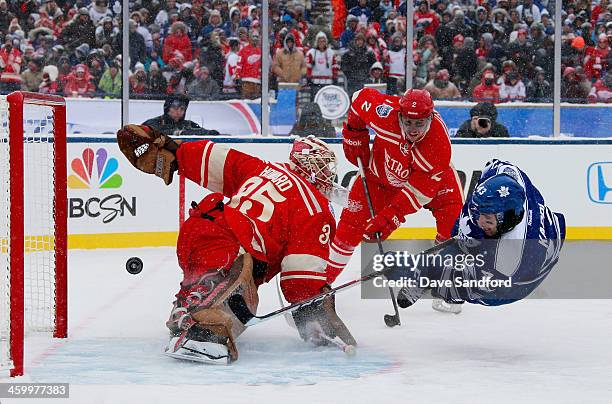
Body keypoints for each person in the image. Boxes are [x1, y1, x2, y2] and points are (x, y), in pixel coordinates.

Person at [115, 128, 355, 363]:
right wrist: (315, 306)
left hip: (199, 228)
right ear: (312, 168)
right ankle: (204, 329)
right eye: (324, 168)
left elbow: (215, 159)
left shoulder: (264, 169)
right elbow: (300, 280)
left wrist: (174, 151)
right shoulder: (315, 209)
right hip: (230, 245)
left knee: (220, 288)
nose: (328, 176)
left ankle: (188, 306)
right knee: (239, 293)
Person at [327, 88, 464, 314]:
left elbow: (420, 191)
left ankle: (440, 283)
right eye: (407, 122)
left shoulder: (438, 145)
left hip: (429, 180)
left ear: (430, 117)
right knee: (349, 230)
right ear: (399, 114)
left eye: (419, 123)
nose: (412, 130)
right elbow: (359, 98)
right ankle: (317, 286)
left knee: (453, 226)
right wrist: (354, 132)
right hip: (379, 179)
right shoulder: (384, 113)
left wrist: (391, 217)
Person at [390, 159, 565, 309]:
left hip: (518, 282)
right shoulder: (503, 172)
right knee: (464, 235)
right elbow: (495, 167)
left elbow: (481, 280)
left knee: (467, 283)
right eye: (479, 214)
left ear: (507, 220)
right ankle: (429, 272)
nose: (480, 222)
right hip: (509, 233)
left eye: (487, 219)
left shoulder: (513, 256)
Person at [142, 94, 220, 136]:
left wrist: (210, 133)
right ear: (168, 108)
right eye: (175, 108)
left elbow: (202, 132)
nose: (179, 111)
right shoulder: (153, 123)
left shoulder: (188, 124)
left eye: (182, 109)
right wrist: (177, 133)